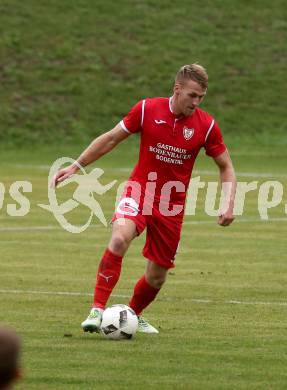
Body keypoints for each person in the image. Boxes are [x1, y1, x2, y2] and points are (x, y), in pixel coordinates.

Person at [53, 64, 236, 334]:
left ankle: (132, 315)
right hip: (139, 191)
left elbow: (226, 166)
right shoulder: (147, 109)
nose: (196, 103)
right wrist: (76, 166)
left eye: (201, 98)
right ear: (177, 89)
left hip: (171, 206)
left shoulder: (206, 126)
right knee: (119, 238)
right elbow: (111, 139)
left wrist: (228, 201)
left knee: (157, 276)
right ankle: (97, 309)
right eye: (192, 96)